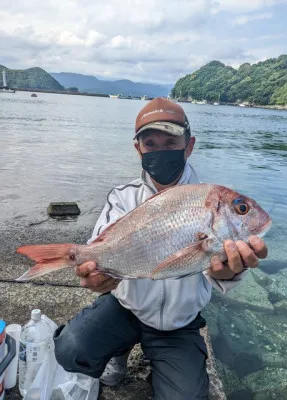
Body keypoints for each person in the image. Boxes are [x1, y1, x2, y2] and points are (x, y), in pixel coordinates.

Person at [53, 98, 268, 399]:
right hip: (126, 309)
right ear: (138, 149)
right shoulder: (122, 198)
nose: (160, 151)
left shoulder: (205, 198)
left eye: (170, 142)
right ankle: (120, 348)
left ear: (189, 145)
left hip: (179, 325)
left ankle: (164, 362)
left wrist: (229, 273)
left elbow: (217, 273)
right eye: (150, 144)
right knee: (68, 350)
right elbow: (99, 254)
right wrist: (95, 277)